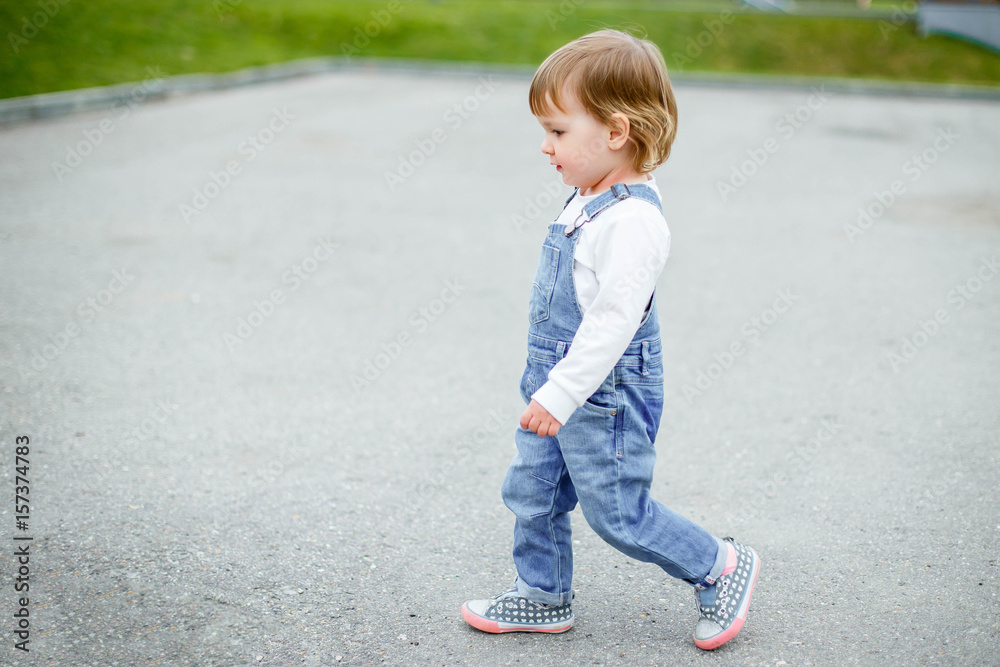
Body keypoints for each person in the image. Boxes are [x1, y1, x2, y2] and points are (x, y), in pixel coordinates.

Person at [461, 30, 760, 651]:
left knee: (617, 513)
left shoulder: (634, 221)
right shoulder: (590, 196)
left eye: (559, 132)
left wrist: (562, 393)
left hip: (601, 389)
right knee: (533, 489)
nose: (545, 147)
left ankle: (719, 565)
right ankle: (543, 595)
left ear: (617, 132)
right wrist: (551, 388)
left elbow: (610, 325)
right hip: (558, 381)